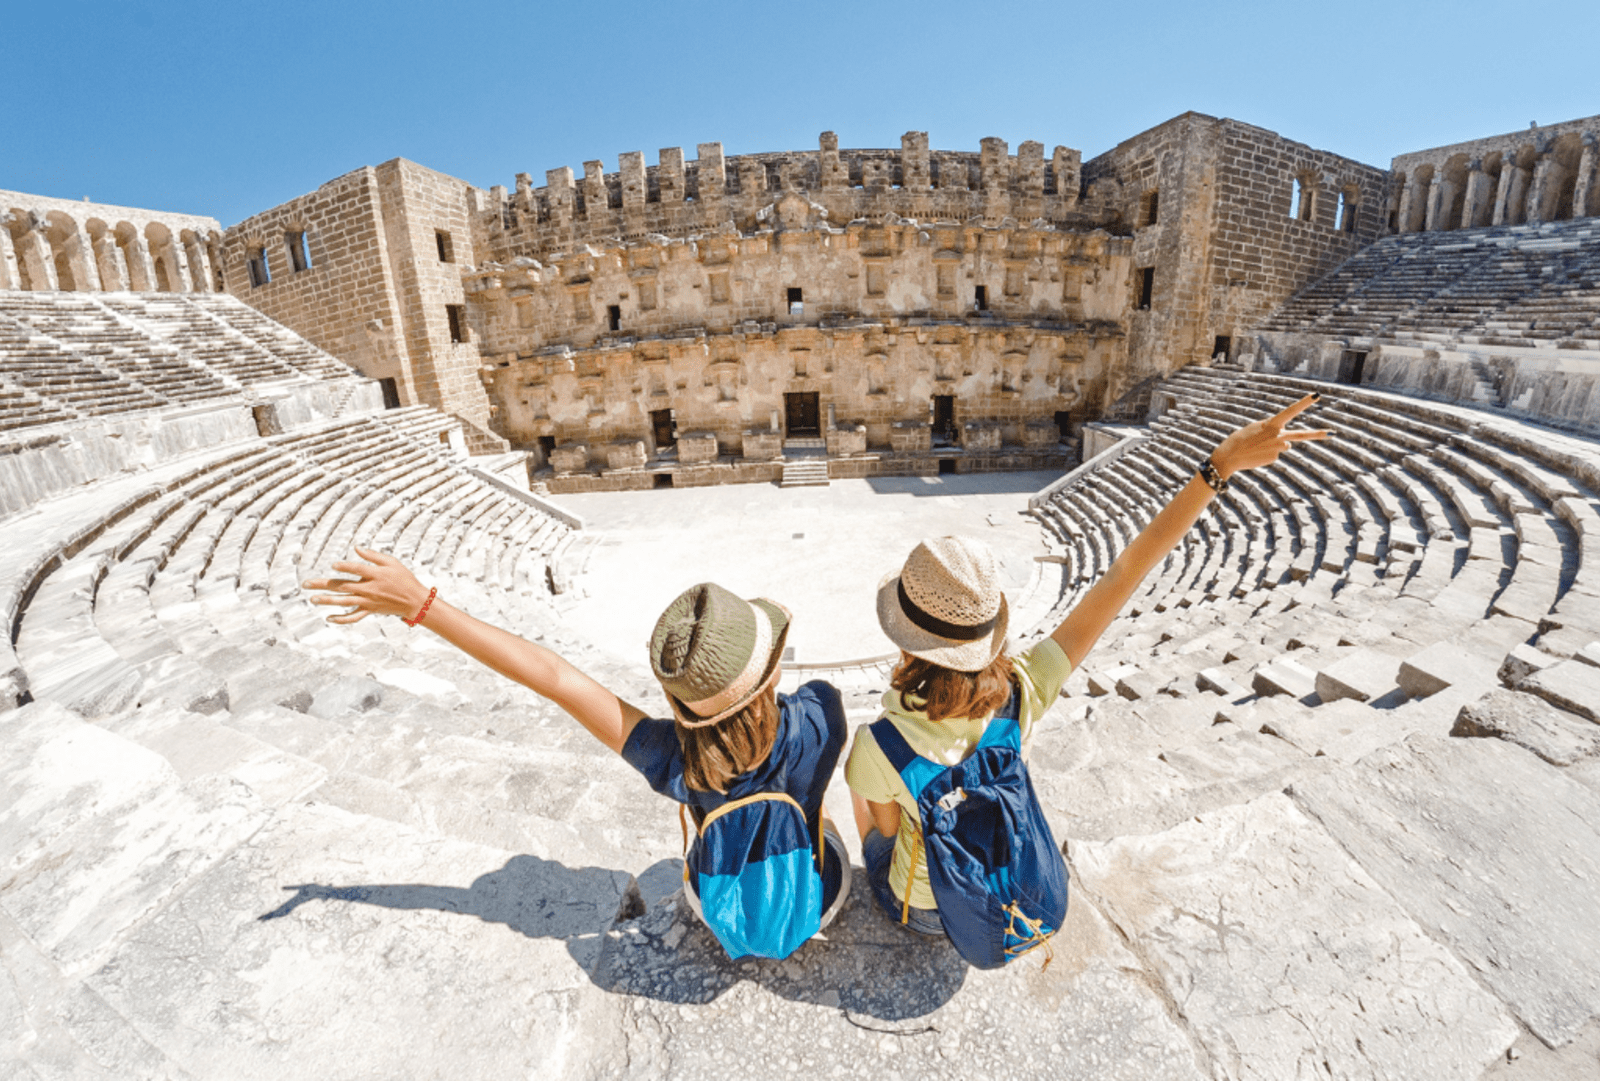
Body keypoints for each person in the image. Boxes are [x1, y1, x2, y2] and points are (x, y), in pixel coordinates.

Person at [847, 393, 1328, 936]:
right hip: (1007, 884)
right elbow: (1126, 572)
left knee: (867, 812)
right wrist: (1219, 467)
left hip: (935, 912)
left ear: (907, 642)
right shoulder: (1024, 689)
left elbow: (887, 833)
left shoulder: (878, 743)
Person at [302, 554, 850, 955]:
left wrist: (425, 606)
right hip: (814, 900)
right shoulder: (823, 715)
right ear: (771, 672)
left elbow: (556, 679)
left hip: (717, 910)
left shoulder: (673, 758)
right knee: (821, 823)